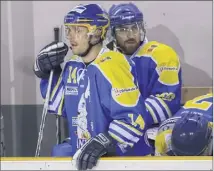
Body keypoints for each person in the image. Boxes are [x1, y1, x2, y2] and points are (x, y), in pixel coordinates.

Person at [33, 4, 151, 170]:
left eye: (79, 30)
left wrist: (107, 141)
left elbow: (133, 119)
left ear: (97, 33)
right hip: (88, 159)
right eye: (69, 30)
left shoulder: (113, 64)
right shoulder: (73, 64)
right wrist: (47, 74)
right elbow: (59, 105)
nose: (71, 37)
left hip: (123, 162)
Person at [108, 3, 182, 127]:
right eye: (123, 29)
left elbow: (166, 104)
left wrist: (125, 119)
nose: (130, 35)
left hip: (155, 131)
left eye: (135, 28)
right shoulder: (105, 58)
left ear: (142, 28)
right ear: (112, 34)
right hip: (117, 127)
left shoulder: (162, 55)